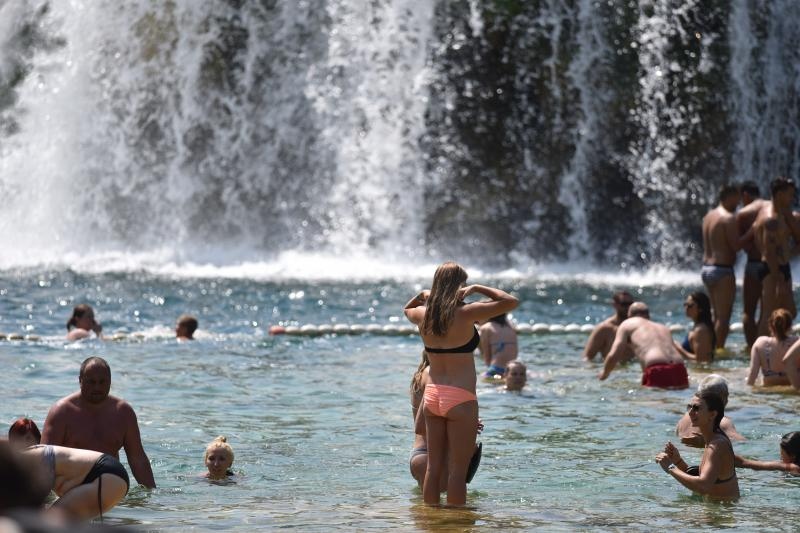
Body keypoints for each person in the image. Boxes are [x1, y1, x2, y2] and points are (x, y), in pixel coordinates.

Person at [404, 262, 518, 505]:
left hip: (433, 396)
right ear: (460, 286)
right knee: (457, 473)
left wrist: (425, 295)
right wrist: (478, 288)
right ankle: (456, 526)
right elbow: (510, 301)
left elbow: (407, 308)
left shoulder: (423, 315)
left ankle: (431, 522)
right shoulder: (467, 313)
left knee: (433, 471)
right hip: (461, 396)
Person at [41, 357, 156, 488]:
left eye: (102, 382)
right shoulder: (61, 412)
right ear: (80, 381)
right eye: (91, 382)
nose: (97, 387)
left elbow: (137, 459)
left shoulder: (123, 413)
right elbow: (45, 459)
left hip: (109, 488)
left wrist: (151, 496)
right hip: (70, 487)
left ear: (110, 382)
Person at [409, 351, 482, 491]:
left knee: (427, 509)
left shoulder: (424, 373)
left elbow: (435, 413)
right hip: (433, 456)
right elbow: (422, 425)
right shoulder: (432, 374)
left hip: (422, 455)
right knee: (454, 510)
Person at [655, 389, 739, 500]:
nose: (690, 412)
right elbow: (706, 480)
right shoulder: (712, 439)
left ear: (712, 414)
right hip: (717, 510)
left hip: (721, 513)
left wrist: (670, 467)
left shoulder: (717, 445)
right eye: (689, 407)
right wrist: (679, 462)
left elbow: (703, 486)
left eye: (696, 408)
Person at [15, 444, 129, 521]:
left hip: (105, 474)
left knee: (50, 520)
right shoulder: (24, 457)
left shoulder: (26, 461)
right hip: (109, 474)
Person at [598, 302, 689, 389]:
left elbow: (614, 355)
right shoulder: (662, 327)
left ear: (629, 316)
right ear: (648, 316)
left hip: (656, 368)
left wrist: (604, 374)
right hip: (679, 368)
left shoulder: (627, 324)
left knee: (651, 403)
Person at [752, 177, 800, 336]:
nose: (792, 198)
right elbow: (769, 251)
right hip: (773, 269)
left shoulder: (782, 214)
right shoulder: (771, 219)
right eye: (790, 195)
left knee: (789, 311)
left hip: (782, 266)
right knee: (768, 313)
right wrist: (778, 279)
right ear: (779, 195)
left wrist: (789, 254)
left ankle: (775, 347)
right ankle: (760, 351)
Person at [701, 184, 741, 350]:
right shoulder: (728, 218)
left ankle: (708, 347)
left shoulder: (709, 216)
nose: (739, 201)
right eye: (737, 197)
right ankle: (717, 351)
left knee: (714, 315)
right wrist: (753, 232)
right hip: (723, 269)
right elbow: (736, 246)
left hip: (706, 269)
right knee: (723, 318)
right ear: (729, 196)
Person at [737, 181, 769, 348]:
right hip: (771, 264)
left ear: (745, 195)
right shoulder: (772, 208)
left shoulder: (744, 213)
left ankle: (752, 348)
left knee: (748, 312)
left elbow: (739, 244)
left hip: (753, 263)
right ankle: (764, 349)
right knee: (766, 311)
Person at [675, 375, 744, 447]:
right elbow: (742, 443)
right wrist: (708, 441)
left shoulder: (684, 419)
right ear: (724, 397)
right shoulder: (723, 421)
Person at [746, 308, 799, 387]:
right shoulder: (797, 342)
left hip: (769, 386)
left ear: (770, 325)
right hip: (791, 384)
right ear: (790, 326)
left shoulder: (760, 342)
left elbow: (753, 374)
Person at [582, 291, 634, 361]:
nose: (628, 307)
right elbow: (587, 358)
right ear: (615, 305)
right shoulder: (604, 329)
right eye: (624, 304)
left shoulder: (637, 327)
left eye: (630, 304)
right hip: (613, 369)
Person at [673, 291, 715, 363]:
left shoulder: (701, 330)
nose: (686, 308)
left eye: (690, 305)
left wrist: (679, 348)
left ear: (701, 308)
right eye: (685, 304)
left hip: (700, 373)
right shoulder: (697, 326)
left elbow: (702, 360)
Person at [735, 431, 800, 475]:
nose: (781, 457)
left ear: (792, 455)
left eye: (782, 453)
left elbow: (745, 463)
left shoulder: (793, 468)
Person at [478, 313, 518, 378]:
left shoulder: (486, 328)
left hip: (496, 369)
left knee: (481, 377)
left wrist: (489, 369)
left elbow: (486, 355)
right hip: (513, 370)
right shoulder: (511, 327)